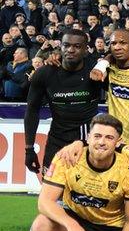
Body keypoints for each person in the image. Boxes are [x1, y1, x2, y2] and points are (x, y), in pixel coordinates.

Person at [25, 30, 103, 172]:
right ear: (60, 47)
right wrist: (29, 148)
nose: (70, 50)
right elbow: (32, 110)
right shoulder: (44, 73)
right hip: (56, 141)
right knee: (50, 191)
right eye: (66, 45)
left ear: (86, 50)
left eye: (77, 46)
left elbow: (115, 60)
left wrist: (104, 63)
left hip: (88, 143)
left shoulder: (96, 71)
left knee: (85, 193)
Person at [93, 29, 129, 141]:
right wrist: (102, 63)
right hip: (116, 138)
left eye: (123, 43)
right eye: (113, 43)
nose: (117, 47)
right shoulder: (107, 68)